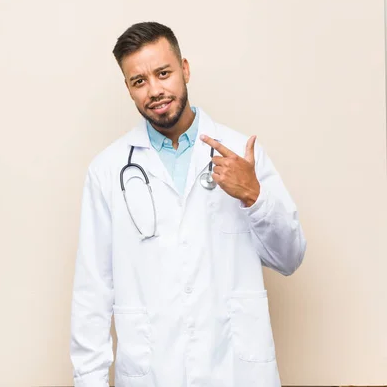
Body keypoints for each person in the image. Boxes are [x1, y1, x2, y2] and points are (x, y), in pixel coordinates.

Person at [69, 21, 307, 387]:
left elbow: (290, 258)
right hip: (152, 371)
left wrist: (254, 197)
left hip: (236, 370)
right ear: (129, 90)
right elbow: (92, 291)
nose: (155, 90)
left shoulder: (243, 153)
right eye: (139, 81)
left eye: (163, 73)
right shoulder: (107, 170)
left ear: (185, 69)